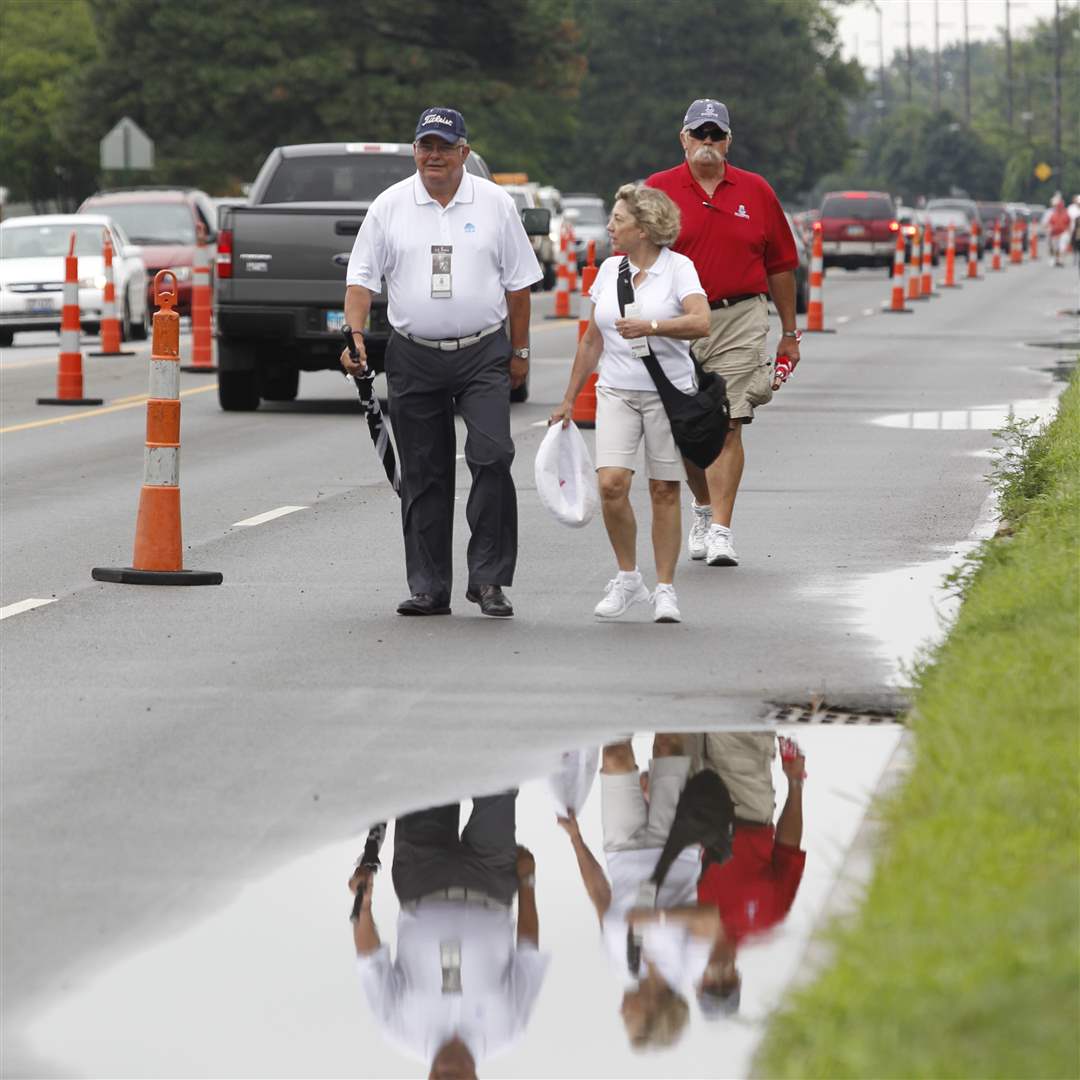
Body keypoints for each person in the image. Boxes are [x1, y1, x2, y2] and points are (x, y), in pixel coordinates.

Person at [341, 107, 541, 618]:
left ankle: (490, 580)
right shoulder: (390, 206)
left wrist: (519, 351)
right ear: (414, 151)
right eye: (425, 145)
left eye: (444, 147)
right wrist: (356, 334)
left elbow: (519, 287)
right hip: (414, 354)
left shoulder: (495, 203)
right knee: (425, 473)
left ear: (463, 153)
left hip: (482, 352)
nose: (433, 155)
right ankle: (429, 586)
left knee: (493, 456)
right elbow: (361, 280)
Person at [645, 99, 801, 569]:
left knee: (730, 418)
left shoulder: (755, 191)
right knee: (687, 429)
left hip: (740, 317)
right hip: (677, 324)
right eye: (699, 134)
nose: (707, 143)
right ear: (684, 139)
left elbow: (780, 266)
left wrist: (790, 333)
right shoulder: (659, 190)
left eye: (716, 135)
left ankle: (721, 531)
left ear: (728, 141)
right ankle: (703, 508)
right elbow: (637, 260)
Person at [549, 185, 709, 623]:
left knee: (663, 489)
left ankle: (665, 589)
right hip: (615, 390)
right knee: (612, 485)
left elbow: (701, 321)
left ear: (644, 227)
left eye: (618, 220)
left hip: (667, 394)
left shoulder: (679, 269)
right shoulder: (608, 270)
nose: (609, 227)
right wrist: (567, 399)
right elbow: (591, 339)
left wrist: (652, 325)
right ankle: (628, 578)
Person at [350, 793, 548, 1076]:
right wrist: (527, 882)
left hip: (421, 878)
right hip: (491, 880)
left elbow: (370, 961)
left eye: (445, 1078)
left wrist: (365, 905)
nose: (452, 1072)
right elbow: (528, 953)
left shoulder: (398, 1030)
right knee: (499, 782)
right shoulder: (509, 1031)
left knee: (429, 773)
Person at [556, 735, 719, 1048]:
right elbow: (708, 919)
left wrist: (576, 840)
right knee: (668, 749)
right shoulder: (687, 969)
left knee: (615, 756)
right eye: (629, 1019)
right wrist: (658, 917)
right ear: (653, 1011)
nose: (621, 1012)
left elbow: (601, 897)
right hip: (676, 847)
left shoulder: (621, 967)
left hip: (622, 852)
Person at [691, 732, 807, 1015]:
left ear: (699, 981)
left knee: (678, 712)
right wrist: (795, 782)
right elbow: (788, 849)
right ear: (738, 978)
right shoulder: (768, 917)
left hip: (693, 808)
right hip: (748, 805)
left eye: (711, 984)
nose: (720, 976)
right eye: (728, 983)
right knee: (731, 712)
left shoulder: (684, 925)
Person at [1043, 194, 1071, 268]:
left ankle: (1060, 260)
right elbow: (1048, 223)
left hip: (1063, 233)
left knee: (1062, 247)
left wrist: (1068, 232)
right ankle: (1055, 259)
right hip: (1053, 234)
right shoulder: (1050, 213)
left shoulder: (1066, 213)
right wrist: (1049, 230)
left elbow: (1068, 223)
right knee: (1054, 247)